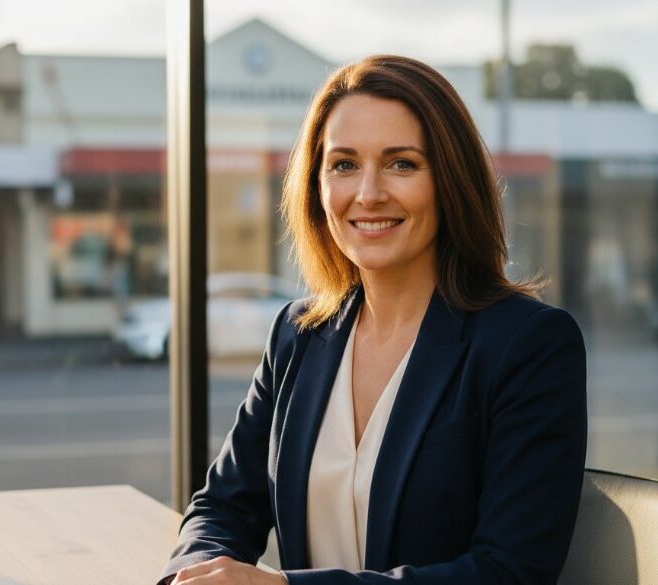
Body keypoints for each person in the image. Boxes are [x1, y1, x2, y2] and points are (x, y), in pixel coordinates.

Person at [158, 55, 587, 585]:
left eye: (401, 163)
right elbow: (221, 507)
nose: (368, 193)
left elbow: (511, 571)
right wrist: (196, 574)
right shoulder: (298, 334)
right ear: (317, 186)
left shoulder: (529, 344)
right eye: (343, 164)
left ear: (449, 181)